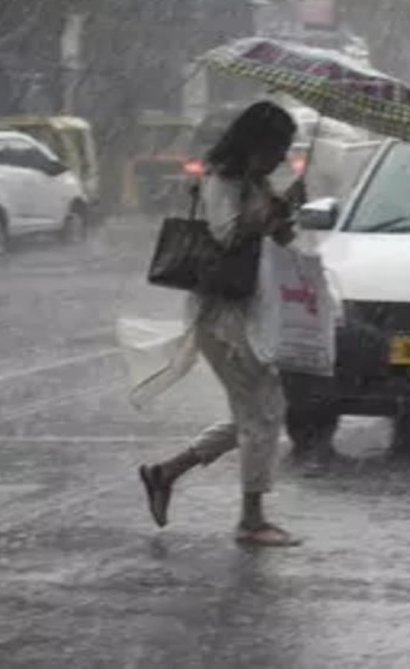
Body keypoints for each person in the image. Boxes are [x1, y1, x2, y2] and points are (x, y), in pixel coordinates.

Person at [137, 100, 306, 547]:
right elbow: (226, 234)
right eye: (278, 148)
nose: (282, 159)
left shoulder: (257, 181)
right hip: (220, 315)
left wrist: (286, 212)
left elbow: (279, 239)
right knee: (263, 412)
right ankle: (251, 520)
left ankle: (166, 473)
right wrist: (268, 213)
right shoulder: (221, 179)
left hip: (250, 309)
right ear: (256, 143)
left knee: (257, 413)